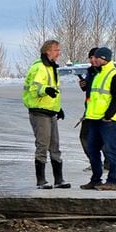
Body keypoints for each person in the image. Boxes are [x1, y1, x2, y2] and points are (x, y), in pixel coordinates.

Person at [22, 39, 70, 189]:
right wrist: (45, 90)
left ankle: (59, 179)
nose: (59, 53)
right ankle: (41, 180)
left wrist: (58, 108)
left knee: (54, 145)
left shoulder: (51, 68)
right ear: (48, 51)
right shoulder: (40, 68)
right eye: (56, 50)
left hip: (50, 112)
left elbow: (54, 92)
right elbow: (34, 89)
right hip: (39, 112)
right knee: (43, 145)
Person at [80, 47, 116, 191]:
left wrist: (108, 116)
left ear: (104, 59)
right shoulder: (97, 74)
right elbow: (93, 97)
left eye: (97, 57)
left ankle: (112, 181)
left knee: (111, 150)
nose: (94, 60)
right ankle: (96, 179)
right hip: (93, 119)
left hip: (108, 121)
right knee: (92, 150)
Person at [76, 47, 99, 171]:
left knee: (102, 139)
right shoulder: (90, 71)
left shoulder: (104, 72)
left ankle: (106, 164)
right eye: (90, 57)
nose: (92, 60)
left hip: (101, 111)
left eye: (94, 57)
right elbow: (90, 90)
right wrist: (84, 85)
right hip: (89, 110)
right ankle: (96, 162)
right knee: (84, 137)